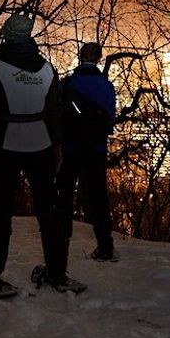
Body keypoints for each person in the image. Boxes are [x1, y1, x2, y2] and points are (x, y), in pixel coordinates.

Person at [0, 12, 85, 298]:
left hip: (7, 145)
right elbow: (55, 110)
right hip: (41, 145)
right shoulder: (47, 69)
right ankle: (57, 272)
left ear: (7, 36)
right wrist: (56, 145)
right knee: (49, 212)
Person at [57, 42, 117, 263]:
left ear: (81, 57)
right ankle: (105, 245)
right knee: (99, 197)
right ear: (99, 59)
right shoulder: (106, 86)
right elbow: (110, 120)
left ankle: (61, 242)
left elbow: (60, 117)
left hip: (71, 148)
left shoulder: (68, 84)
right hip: (96, 149)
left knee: (64, 195)